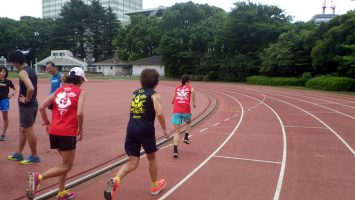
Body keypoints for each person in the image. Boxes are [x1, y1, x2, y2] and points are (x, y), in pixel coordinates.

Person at [104, 69, 168, 200]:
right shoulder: (154, 95)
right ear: (156, 82)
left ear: (141, 81)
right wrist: (165, 129)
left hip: (132, 127)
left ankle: (116, 179)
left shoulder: (135, 93)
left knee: (133, 161)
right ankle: (155, 186)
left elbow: (133, 110)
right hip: (146, 129)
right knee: (152, 157)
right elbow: (160, 113)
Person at [27, 67, 87, 200]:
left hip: (54, 131)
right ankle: (39, 177)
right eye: (83, 80)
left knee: (64, 164)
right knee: (67, 165)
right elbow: (80, 113)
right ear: (80, 79)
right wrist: (81, 130)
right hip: (67, 132)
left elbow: (42, 107)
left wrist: (47, 123)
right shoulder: (80, 91)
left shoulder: (58, 90)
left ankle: (61, 192)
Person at [7, 50, 40, 165]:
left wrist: (26, 99)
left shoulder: (23, 72)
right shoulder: (31, 70)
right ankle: (19, 153)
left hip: (28, 106)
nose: (13, 65)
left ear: (16, 61)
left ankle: (35, 155)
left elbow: (31, 88)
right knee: (23, 129)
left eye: (12, 63)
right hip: (32, 104)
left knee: (28, 129)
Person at [171, 75, 196, 158]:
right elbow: (193, 92)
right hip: (186, 110)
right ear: (188, 81)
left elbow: (172, 101)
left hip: (176, 111)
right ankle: (186, 136)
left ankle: (175, 151)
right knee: (189, 122)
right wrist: (193, 103)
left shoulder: (177, 88)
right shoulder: (190, 88)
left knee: (177, 132)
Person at [0, 66, 17, 141]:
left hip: (4, 101)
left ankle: (3, 134)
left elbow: (15, 89)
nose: (3, 73)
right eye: (1, 71)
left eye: (4, 72)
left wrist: (12, 94)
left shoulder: (8, 81)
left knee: (5, 118)